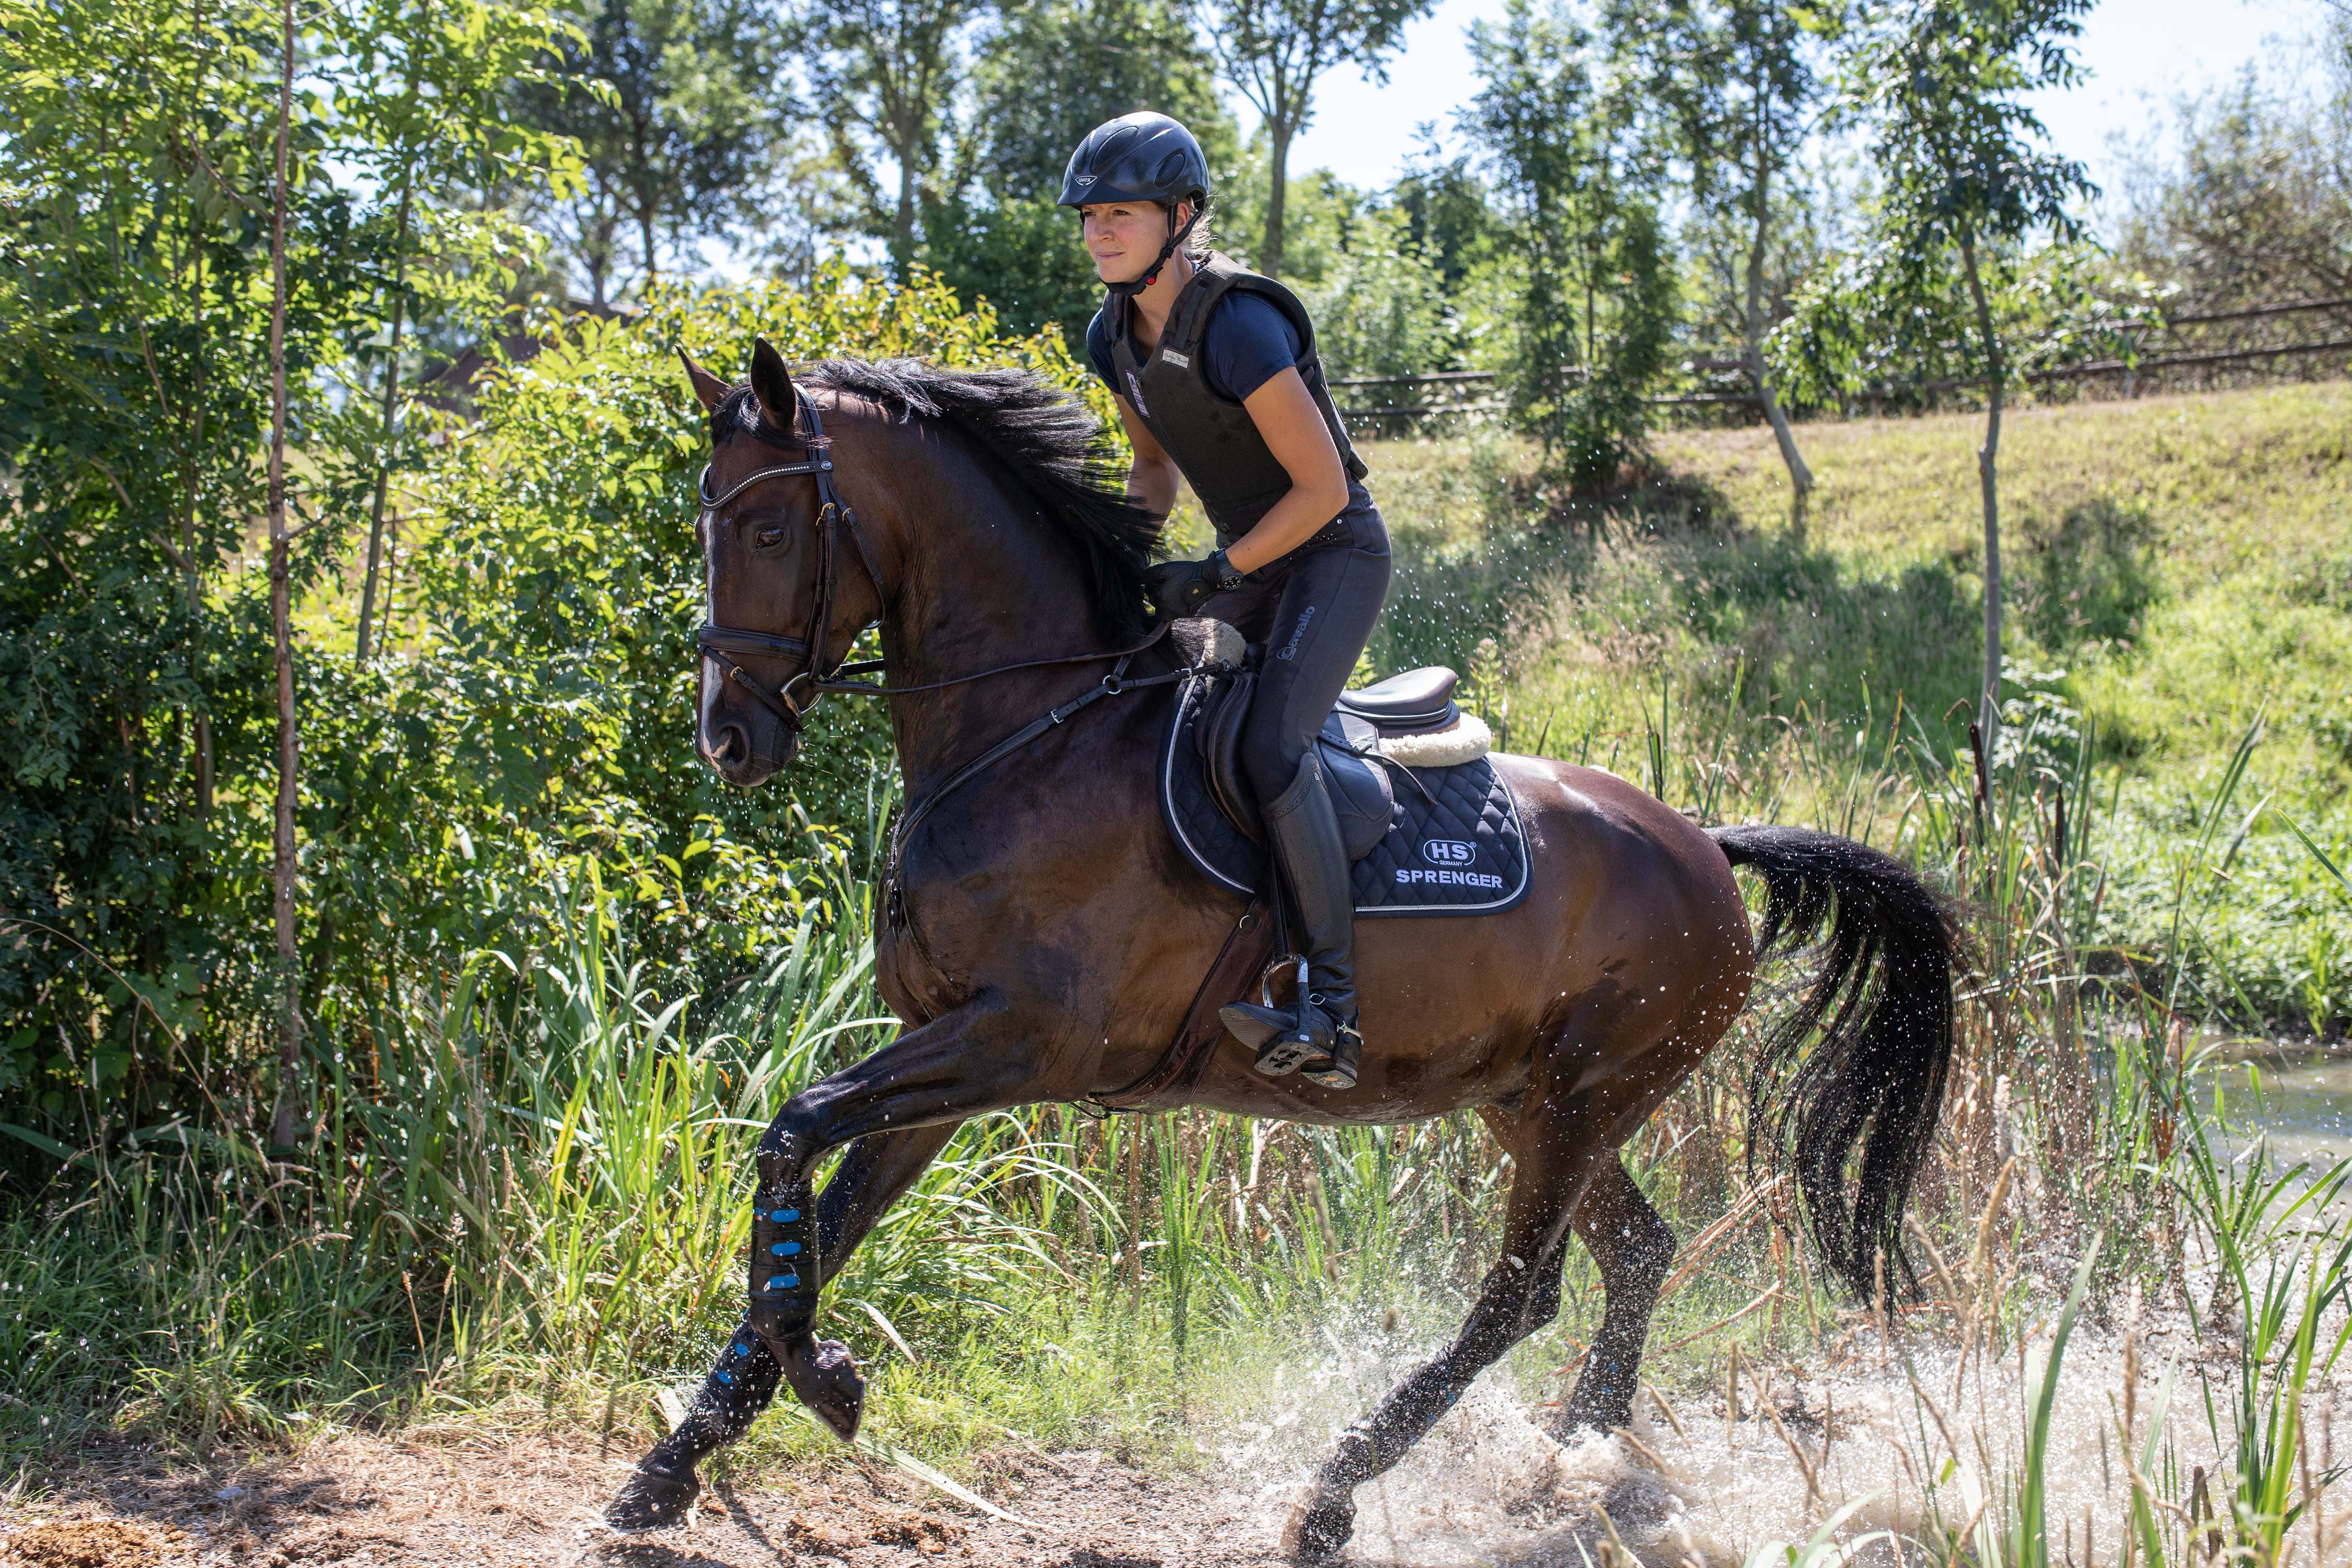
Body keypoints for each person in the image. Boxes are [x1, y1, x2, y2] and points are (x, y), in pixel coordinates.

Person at [1061, 110, 1391, 1093]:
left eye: (1120, 214)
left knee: (1269, 747)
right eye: (1089, 217)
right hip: (1252, 561)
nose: (1099, 233)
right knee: (1153, 713)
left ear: (1181, 216)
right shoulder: (1110, 336)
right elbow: (1154, 470)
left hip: (1332, 554)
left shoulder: (1239, 324)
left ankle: (1332, 1009)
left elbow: (1322, 492)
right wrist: (1121, 561)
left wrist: (1211, 575)